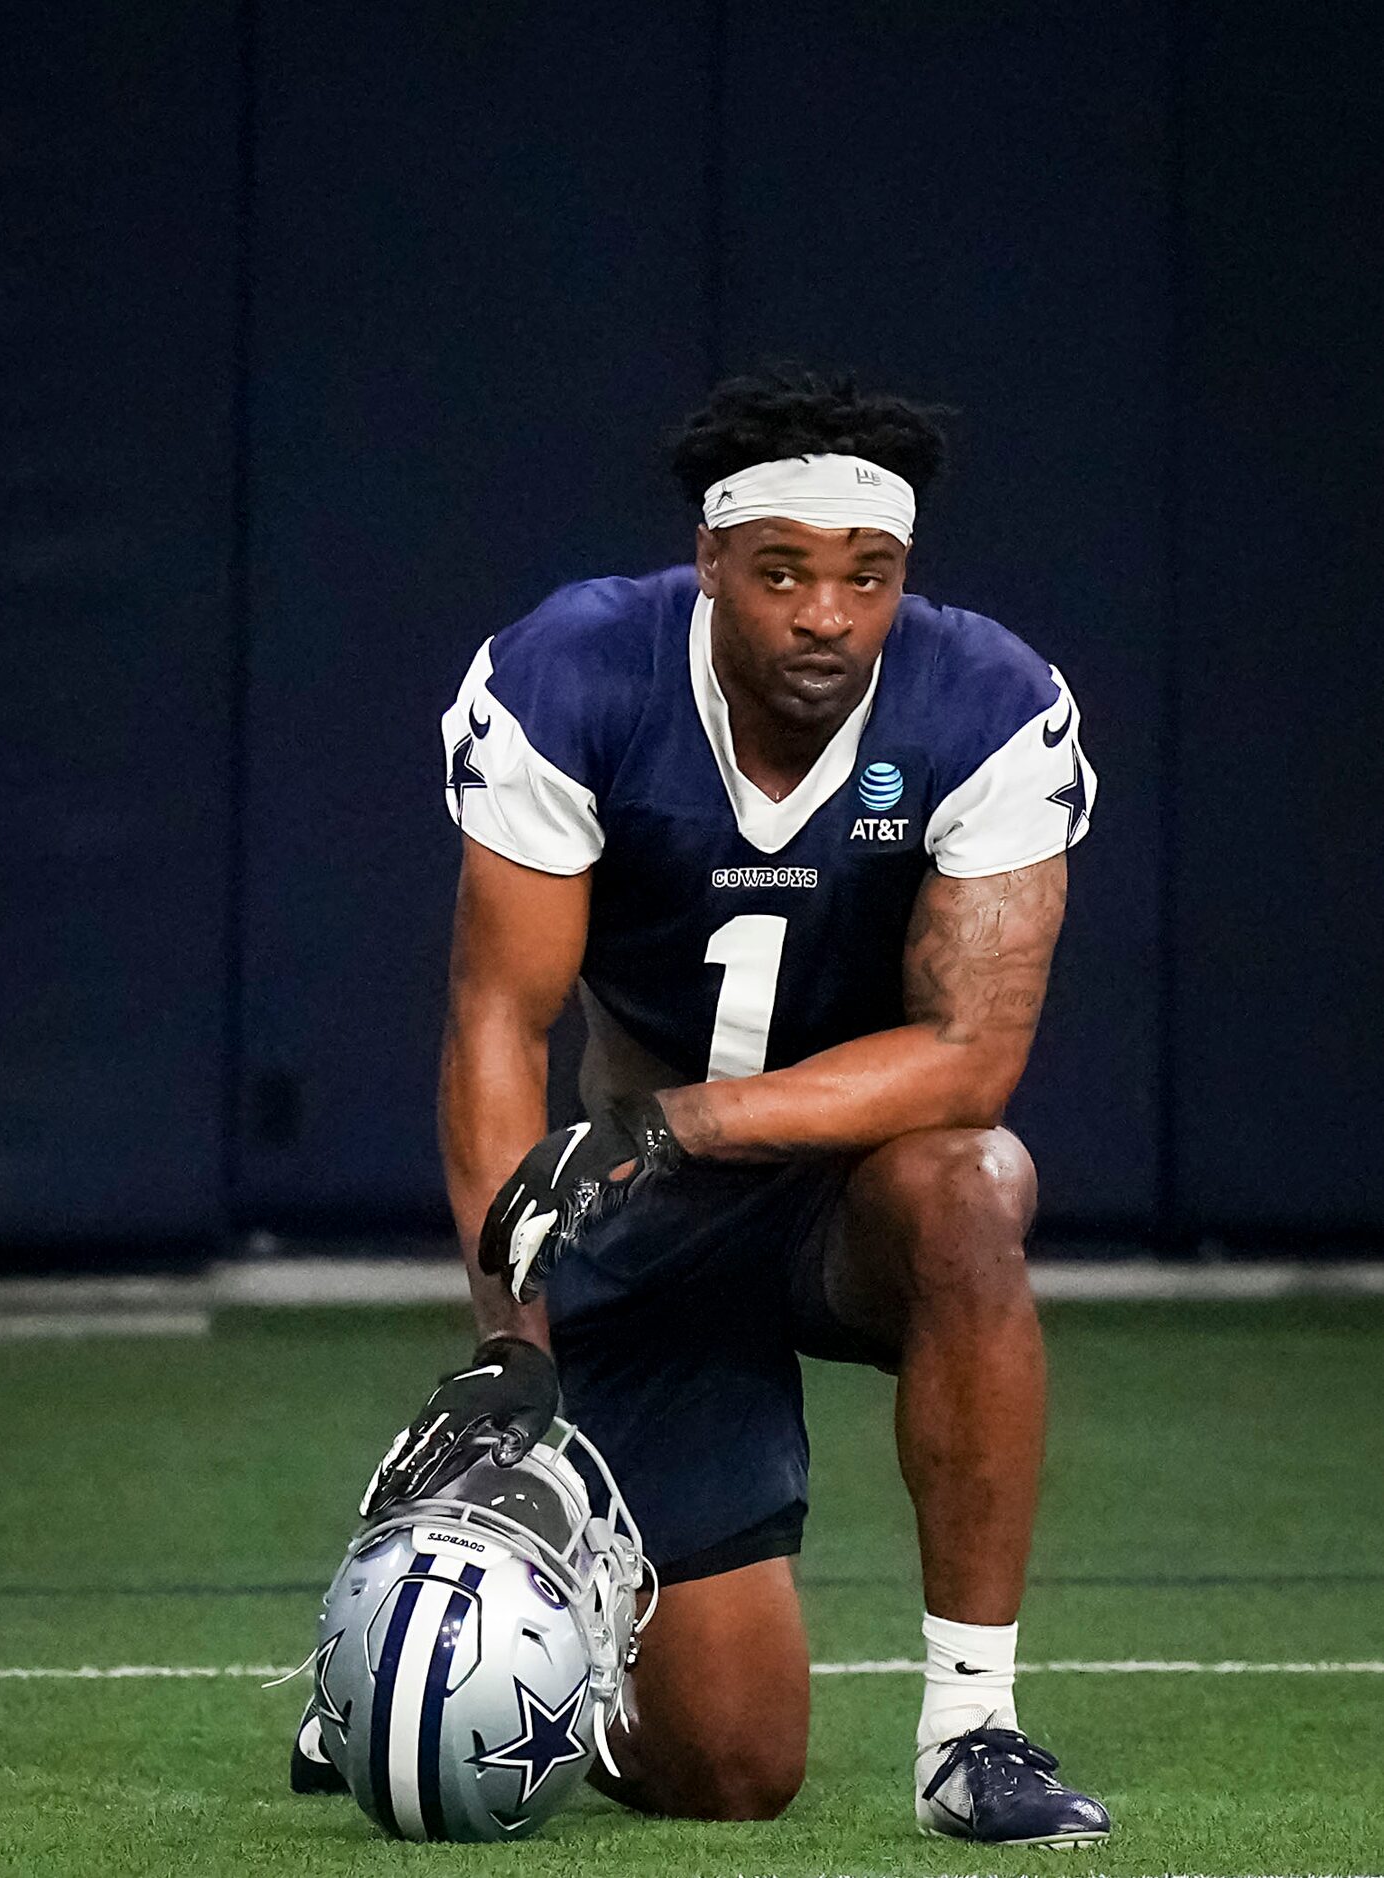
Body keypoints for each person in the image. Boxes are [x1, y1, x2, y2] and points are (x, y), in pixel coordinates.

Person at [399, 366, 1108, 1843]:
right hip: (636, 1219)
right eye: (781, 570)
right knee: (727, 1772)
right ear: (707, 560)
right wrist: (504, 1345)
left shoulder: (985, 699)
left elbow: (968, 1054)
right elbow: (492, 1020)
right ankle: (494, 1648)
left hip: (834, 1188)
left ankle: (972, 1727)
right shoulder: (573, 672)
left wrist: (679, 1122)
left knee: (973, 1177)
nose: (826, 615)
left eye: (867, 576)